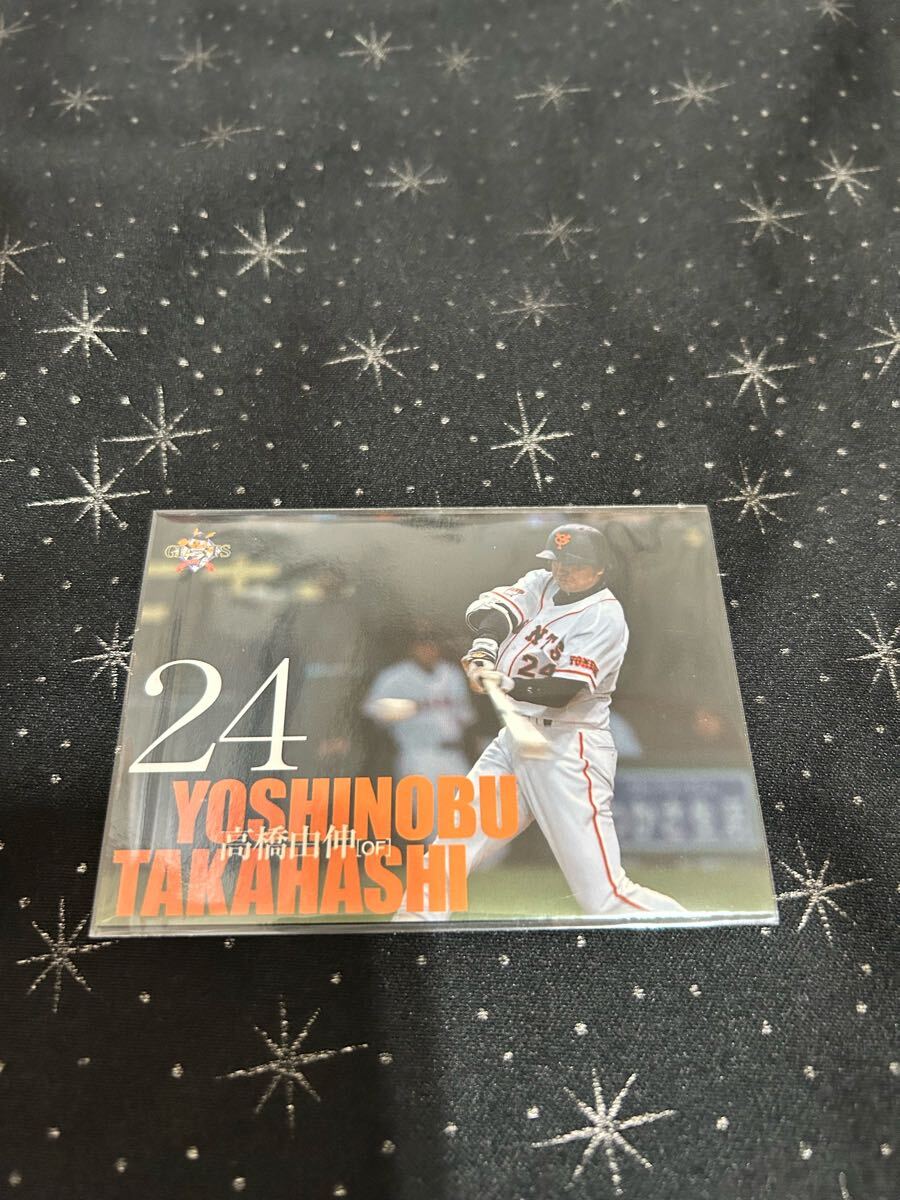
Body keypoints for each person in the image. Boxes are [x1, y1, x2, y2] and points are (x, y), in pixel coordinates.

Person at [426, 523, 685, 918]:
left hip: (568, 748)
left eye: (575, 563)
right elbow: (495, 613)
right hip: (514, 739)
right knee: (443, 857)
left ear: (600, 568)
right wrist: (484, 648)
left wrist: (506, 683)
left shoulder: (604, 617)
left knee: (604, 897)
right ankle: (408, 936)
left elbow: (565, 691)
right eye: (558, 560)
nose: (563, 569)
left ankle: (694, 930)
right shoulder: (543, 582)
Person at [363, 631, 475, 783]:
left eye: (432, 645)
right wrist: (407, 708)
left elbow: (466, 716)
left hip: (454, 754)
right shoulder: (395, 676)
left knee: (468, 797)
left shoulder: (452, 674)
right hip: (417, 754)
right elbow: (370, 709)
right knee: (427, 800)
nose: (428, 650)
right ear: (412, 648)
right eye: (422, 645)